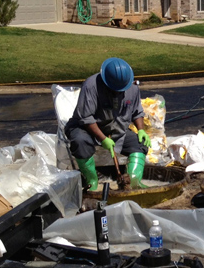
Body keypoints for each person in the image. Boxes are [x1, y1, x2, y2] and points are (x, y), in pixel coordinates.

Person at [65, 58, 151, 191]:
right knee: (80, 142)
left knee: (140, 144)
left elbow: (137, 112)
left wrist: (141, 130)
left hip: (116, 128)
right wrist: (103, 139)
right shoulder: (91, 86)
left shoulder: (132, 87)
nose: (118, 92)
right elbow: (86, 118)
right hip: (85, 128)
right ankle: (92, 181)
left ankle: (132, 181)